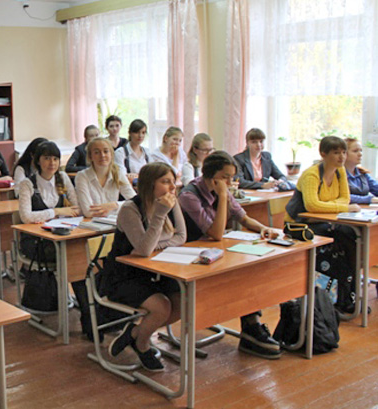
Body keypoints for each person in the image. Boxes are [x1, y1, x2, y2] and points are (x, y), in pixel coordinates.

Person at [179, 150, 282, 359]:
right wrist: (224, 195)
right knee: (238, 276)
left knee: (249, 270)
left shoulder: (222, 189)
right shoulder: (189, 195)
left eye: (232, 177)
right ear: (211, 176)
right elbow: (216, 233)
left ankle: (251, 325)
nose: (230, 182)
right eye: (225, 177)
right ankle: (250, 326)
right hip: (190, 257)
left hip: (215, 252)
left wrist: (263, 228)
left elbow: (243, 218)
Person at [101, 163, 185, 371]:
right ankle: (142, 344)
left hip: (157, 270)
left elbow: (181, 237)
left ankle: (135, 332)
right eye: (165, 182)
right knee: (162, 307)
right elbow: (144, 249)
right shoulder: (130, 209)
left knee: (183, 303)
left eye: (173, 182)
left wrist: (156, 246)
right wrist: (160, 214)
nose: (172, 187)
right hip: (124, 275)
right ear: (150, 184)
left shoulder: (171, 202)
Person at [285, 136, 361, 314]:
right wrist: (342, 207)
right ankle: (343, 295)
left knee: (351, 236)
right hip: (299, 226)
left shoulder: (340, 171)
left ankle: (348, 292)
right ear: (323, 154)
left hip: (325, 221)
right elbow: (312, 205)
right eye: (336, 153)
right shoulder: (311, 175)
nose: (341, 157)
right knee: (343, 240)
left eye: (343, 152)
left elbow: (345, 198)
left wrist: (330, 206)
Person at [18, 141, 79, 262]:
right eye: (47, 158)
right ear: (38, 161)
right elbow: (26, 217)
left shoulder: (63, 177)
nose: (52, 163)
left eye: (55, 159)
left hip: (61, 233)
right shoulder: (27, 184)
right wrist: (56, 212)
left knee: (78, 248)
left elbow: (76, 207)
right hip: (36, 239)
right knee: (64, 253)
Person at [75, 137, 135, 218]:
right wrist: (117, 209)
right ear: (90, 157)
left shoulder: (118, 173)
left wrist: (115, 205)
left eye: (106, 151)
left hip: (113, 222)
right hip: (90, 222)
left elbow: (135, 201)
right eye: (97, 152)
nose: (102, 155)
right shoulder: (82, 176)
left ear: (111, 154)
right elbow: (88, 212)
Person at [114, 119, 150, 184]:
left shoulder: (147, 152)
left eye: (143, 132)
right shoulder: (120, 153)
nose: (140, 136)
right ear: (130, 133)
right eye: (137, 132)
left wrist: (134, 177)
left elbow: (152, 175)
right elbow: (122, 177)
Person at [344, 137, 378, 204]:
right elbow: (342, 197)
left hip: (363, 209)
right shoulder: (336, 174)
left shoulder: (362, 173)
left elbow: (376, 188)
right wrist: (370, 199)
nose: (360, 154)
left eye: (361, 151)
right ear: (344, 154)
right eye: (355, 151)